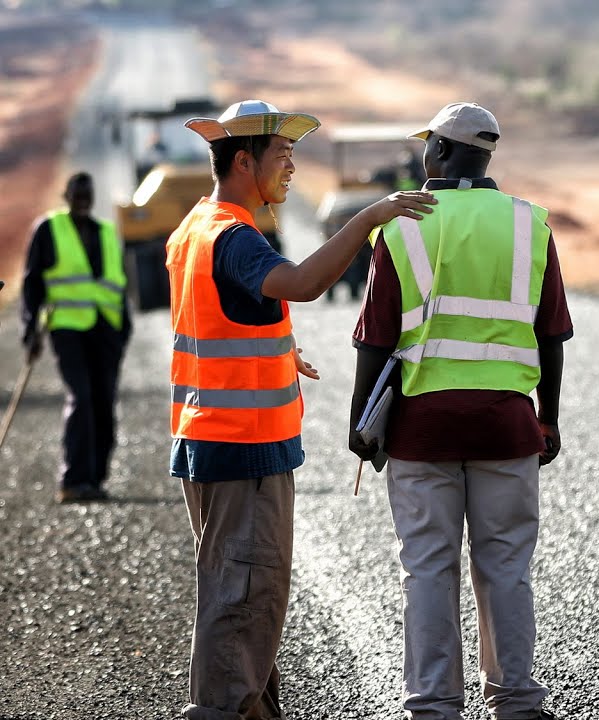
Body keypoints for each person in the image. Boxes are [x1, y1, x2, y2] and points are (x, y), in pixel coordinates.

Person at [169, 99, 435, 720]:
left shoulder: (196, 226)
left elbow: (217, 316)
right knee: (244, 592)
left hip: (208, 436)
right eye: (283, 156)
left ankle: (251, 708)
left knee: (242, 589)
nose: (292, 167)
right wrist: (371, 217)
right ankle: (222, 710)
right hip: (243, 446)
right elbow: (303, 283)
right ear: (243, 160)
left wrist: (279, 347)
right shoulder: (233, 236)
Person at [348, 101, 570, 720]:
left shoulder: (401, 227)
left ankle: (433, 706)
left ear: (442, 152)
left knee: (426, 568)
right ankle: (516, 700)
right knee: (505, 567)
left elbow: (375, 339)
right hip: (506, 424)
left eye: (427, 146)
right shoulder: (531, 225)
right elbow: (552, 333)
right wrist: (547, 417)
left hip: (422, 430)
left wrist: (362, 419)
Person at [21, 172, 130, 504]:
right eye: (77, 194)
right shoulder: (48, 229)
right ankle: (73, 480)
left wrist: (123, 330)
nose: (83, 200)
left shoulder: (108, 232)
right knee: (81, 397)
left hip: (106, 329)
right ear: (66, 195)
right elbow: (32, 283)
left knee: (103, 401)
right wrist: (30, 331)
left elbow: (119, 286)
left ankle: (94, 480)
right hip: (66, 327)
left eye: (88, 194)